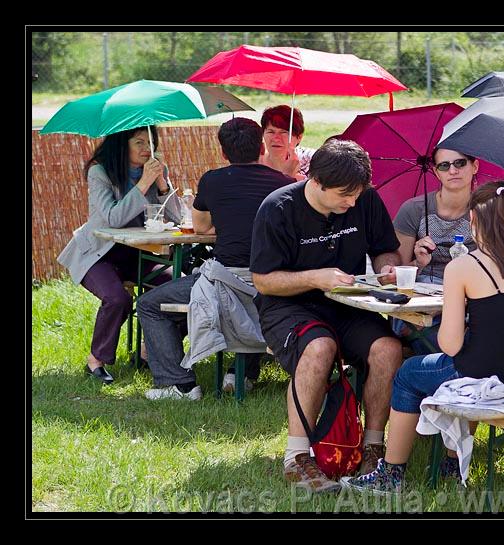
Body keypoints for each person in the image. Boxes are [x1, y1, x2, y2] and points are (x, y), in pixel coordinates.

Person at [342, 181, 504, 495]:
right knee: (440, 366)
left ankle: (390, 474)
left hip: (480, 374)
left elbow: (451, 345)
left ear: (473, 221)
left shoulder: (463, 266)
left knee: (407, 374)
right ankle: (448, 463)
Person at [250, 139, 403, 493]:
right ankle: (297, 457)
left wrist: (388, 268)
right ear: (315, 182)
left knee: (388, 349)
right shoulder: (277, 208)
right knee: (319, 347)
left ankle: (373, 448)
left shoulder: (364, 198)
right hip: (287, 306)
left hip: (348, 303)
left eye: (357, 194)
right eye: (344, 195)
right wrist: (314, 278)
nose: (352, 202)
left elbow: (385, 250)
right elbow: (263, 280)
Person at [136, 117, 294, 400]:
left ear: (223, 153)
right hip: (274, 285)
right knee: (252, 303)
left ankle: (180, 385)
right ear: (261, 147)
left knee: (148, 304)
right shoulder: (286, 185)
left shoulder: (212, 181)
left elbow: (201, 228)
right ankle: (241, 371)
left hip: (226, 282)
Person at [57, 126, 181, 385]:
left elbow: (178, 217)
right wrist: (144, 182)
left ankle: (149, 350)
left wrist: (161, 184)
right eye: (139, 142)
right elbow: (113, 218)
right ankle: (96, 360)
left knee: (181, 289)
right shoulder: (99, 172)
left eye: (150, 141)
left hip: (138, 253)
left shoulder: (157, 170)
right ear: (121, 145)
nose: (147, 148)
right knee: (117, 298)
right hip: (98, 253)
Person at [391, 147, 479, 353]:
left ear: (474, 166)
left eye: (460, 163)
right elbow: (398, 274)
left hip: (471, 296)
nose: (453, 171)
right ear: (436, 171)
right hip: (422, 301)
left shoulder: (485, 210)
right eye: (444, 165)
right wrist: (418, 263)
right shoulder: (414, 209)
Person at [259, 105, 315, 181]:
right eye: (271, 132)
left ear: (299, 137)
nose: (276, 139)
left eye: (284, 132)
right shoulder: (254, 162)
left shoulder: (312, 160)